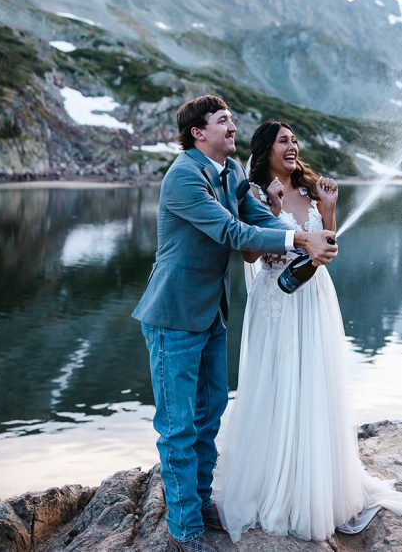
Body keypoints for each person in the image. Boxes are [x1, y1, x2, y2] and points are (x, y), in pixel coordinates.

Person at [212, 120, 402, 543]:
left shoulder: (309, 190)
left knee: (315, 382)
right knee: (279, 383)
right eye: (284, 141)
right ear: (265, 150)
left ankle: (318, 483)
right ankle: (276, 483)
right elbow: (248, 254)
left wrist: (330, 206)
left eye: (295, 140)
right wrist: (274, 210)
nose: (293, 146)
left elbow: (328, 243)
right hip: (278, 298)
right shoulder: (255, 193)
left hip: (315, 296)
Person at [131, 97, 338, 552]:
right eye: (223, 120)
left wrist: (303, 239)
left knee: (209, 417)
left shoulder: (232, 173)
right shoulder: (184, 176)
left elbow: (258, 217)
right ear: (198, 132)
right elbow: (231, 232)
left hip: (210, 313)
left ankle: (201, 501)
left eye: (232, 119)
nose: (233, 126)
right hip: (173, 316)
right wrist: (300, 237)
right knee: (179, 427)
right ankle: (184, 527)